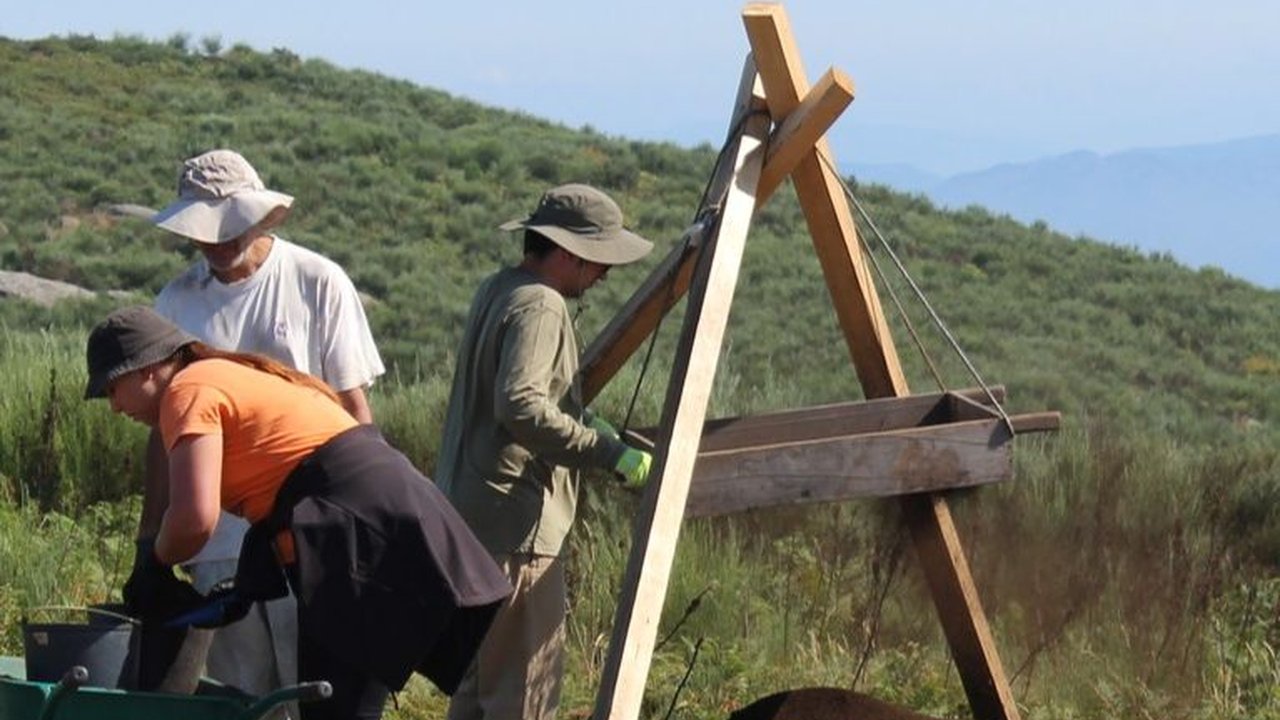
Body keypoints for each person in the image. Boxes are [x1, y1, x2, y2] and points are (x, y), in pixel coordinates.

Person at [85, 306, 511, 720]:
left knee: (339, 706)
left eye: (111, 389)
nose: (114, 407)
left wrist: (155, 562)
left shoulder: (186, 390)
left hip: (358, 529)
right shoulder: (221, 375)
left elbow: (194, 519)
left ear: (147, 368)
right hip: (374, 519)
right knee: (334, 703)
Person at [126, 148, 385, 699]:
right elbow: (164, 435)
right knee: (236, 697)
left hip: (308, 531)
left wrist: (367, 521)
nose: (216, 242)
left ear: (258, 215)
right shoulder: (176, 302)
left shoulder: (316, 281)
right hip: (216, 539)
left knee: (311, 687)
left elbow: (352, 408)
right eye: (203, 231)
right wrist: (150, 540)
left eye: (228, 226)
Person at [437, 183, 656, 720]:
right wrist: (607, 453)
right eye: (597, 260)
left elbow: (518, 396)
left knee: (474, 689)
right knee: (523, 696)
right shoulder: (543, 305)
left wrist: (580, 419)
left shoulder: (500, 289)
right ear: (565, 253)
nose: (603, 274)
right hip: (518, 533)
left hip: (469, 518)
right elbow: (521, 406)